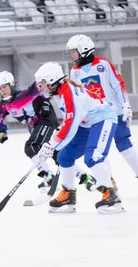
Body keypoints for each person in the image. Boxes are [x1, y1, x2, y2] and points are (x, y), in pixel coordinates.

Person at [66, 34, 138, 195]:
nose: (71, 55)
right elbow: (78, 96)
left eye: (73, 51)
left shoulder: (103, 64)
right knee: (99, 151)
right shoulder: (75, 72)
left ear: (84, 50)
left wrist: (125, 105)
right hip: (95, 117)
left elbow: (118, 84)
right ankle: (109, 181)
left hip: (115, 112)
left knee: (125, 146)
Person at [34, 62, 125, 214]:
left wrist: (52, 144)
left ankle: (111, 194)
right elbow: (69, 121)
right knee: (64, 156)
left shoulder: (69, 92)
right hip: (87, 124)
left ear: (51, 81)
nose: (40, 88)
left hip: (103, 119)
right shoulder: (60, 92)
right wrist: (56, 141)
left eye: (42, 84)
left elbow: (71, 124)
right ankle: (69, 194)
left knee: (93, 157)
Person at [0, 71, 95, 192]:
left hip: (46, 123)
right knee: (58, 155)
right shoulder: (4, 105)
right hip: (37, 129)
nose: (2, 90)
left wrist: (45, 103)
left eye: (4, 86)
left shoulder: (25, 94)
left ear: (11, 84)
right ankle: (85, 177)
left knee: (31, 146)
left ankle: (47, 176)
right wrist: (1, 131)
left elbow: (44, 91)